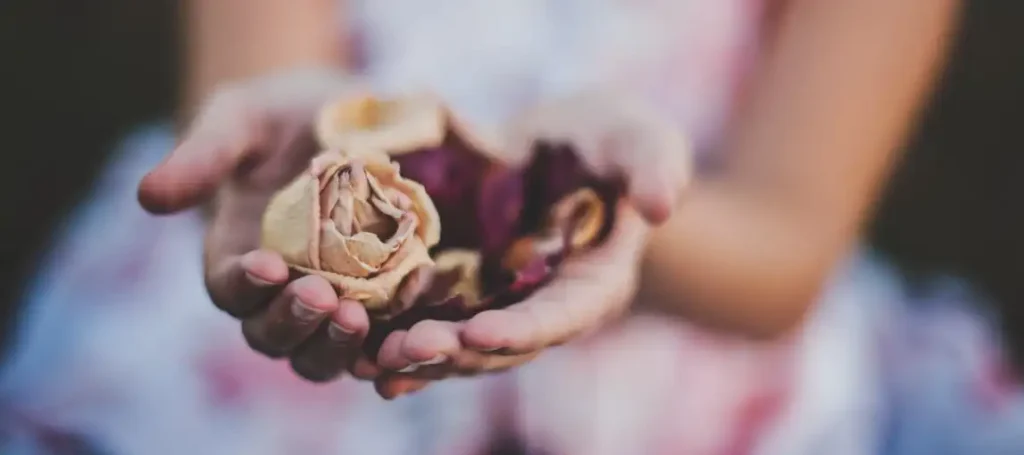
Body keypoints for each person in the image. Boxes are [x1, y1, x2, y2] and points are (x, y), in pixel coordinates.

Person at [9, 1, 1012, 454]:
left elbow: (787, 246)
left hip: (671, 380)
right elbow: (242, 101)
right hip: (285, 403)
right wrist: (275, 144)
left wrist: (582, 207)